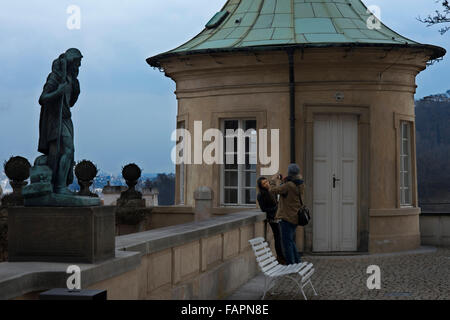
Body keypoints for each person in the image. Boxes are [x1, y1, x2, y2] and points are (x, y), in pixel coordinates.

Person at [38, 48, 83, 194]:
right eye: (78, 62)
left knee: (68, 152)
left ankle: (59, 184)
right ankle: (58, 186)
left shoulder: (72, 80)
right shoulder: (55, 77)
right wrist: (58, 91)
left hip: (66, 118)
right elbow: (43, 98)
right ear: (71, 62)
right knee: (66, 150)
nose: (79, 66)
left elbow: (71, 102)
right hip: (55, 119)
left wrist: (74, 90)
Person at [269, 163, 304, 264]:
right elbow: (287, 190)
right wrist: (283, 180)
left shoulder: (288, 185)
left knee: (286, 243)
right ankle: (297, 262)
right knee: (291, 241)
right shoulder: (300, 184)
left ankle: (291, 264)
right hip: (295, 217)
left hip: (287, 218)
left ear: (290, 173)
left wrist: (273, 180)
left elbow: (273, 190)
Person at [257, 177, 286, 265]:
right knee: (278, 238)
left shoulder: (271, 191)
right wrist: (276, 208)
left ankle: (281, 257)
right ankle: (280, 257)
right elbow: (264, 209)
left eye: (266, 182)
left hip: (278, 216)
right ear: (261, 186)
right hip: (272, 218)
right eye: (264, 183)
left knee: (280, 237)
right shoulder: (261, 195)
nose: (266, 184)